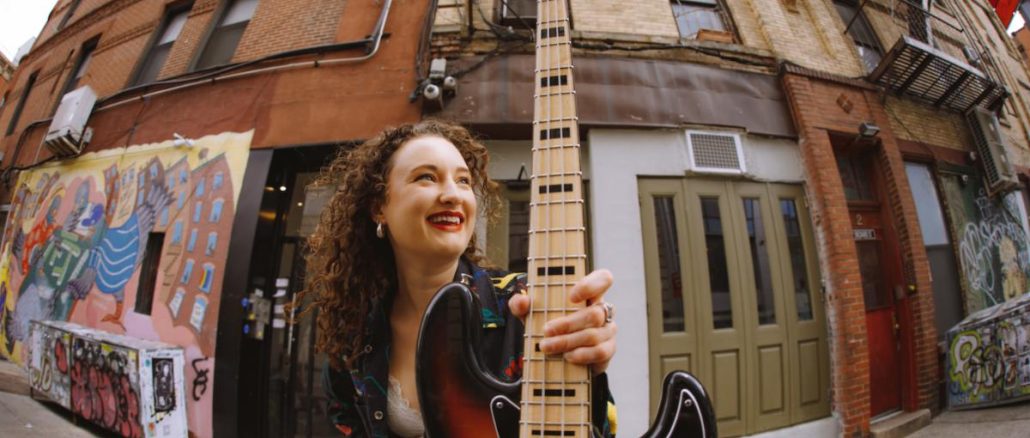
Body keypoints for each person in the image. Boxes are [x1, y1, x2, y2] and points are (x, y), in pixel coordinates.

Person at [302, 120, 617, 437]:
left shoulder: (525, 304)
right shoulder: (355, 331)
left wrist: (589, 361)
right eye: (426, 177)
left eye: (464, 181)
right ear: (379, 208)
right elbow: (346, 423)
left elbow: (597, 429)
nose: (453, 195)